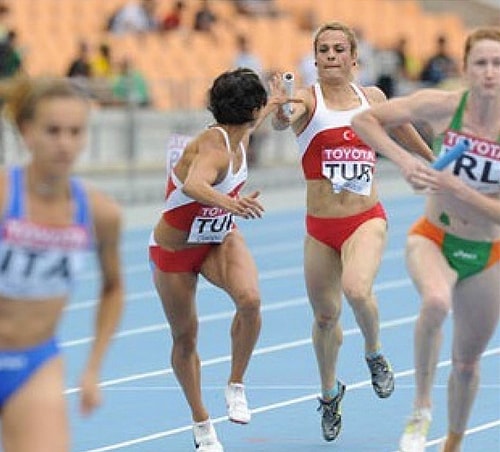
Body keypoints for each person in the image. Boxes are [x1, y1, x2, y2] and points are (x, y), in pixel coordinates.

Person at [270, 22, 434, 443]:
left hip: (365, 218)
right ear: (315, 57)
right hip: (320, 228)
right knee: (325, 317)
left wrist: (432, 159)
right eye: (322, 49)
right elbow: (285, 119)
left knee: (357, 289)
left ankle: (374, 353)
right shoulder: (307, 99)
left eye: (338, 49)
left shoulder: (372, 98)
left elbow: (400, 129)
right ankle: (330, 393)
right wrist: (279, 108)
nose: (330, 56)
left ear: (354, 57)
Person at [352, 26, 500, 452]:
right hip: (433, 236)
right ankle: (421, 407)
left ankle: (451, 442)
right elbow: (365, 120)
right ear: (466, 68)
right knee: (435, 300)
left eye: (497, 64)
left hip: (486, 252)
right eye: (481, 63)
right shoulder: (441, 107)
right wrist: (406, 160)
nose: (489, 72)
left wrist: (458, 188)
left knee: (468, 364)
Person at [148, 68, 298, 451]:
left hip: (218, 238)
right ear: (251, 108)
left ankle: (236, 383)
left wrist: (277, 101)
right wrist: (232, 203)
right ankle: (202, 424)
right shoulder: (214, 148)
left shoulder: (240, 131)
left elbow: (256, 121)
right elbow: (196, 184)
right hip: (175, 250)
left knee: (250, 300)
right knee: (186, 337)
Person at [0, 77, 124, 451]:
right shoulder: (5, 196)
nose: (65, 143)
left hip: (35, 362)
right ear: (26, 131)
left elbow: (113, 287)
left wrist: (92, 368)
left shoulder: (100, 212)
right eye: (53, 131)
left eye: (75, 132)